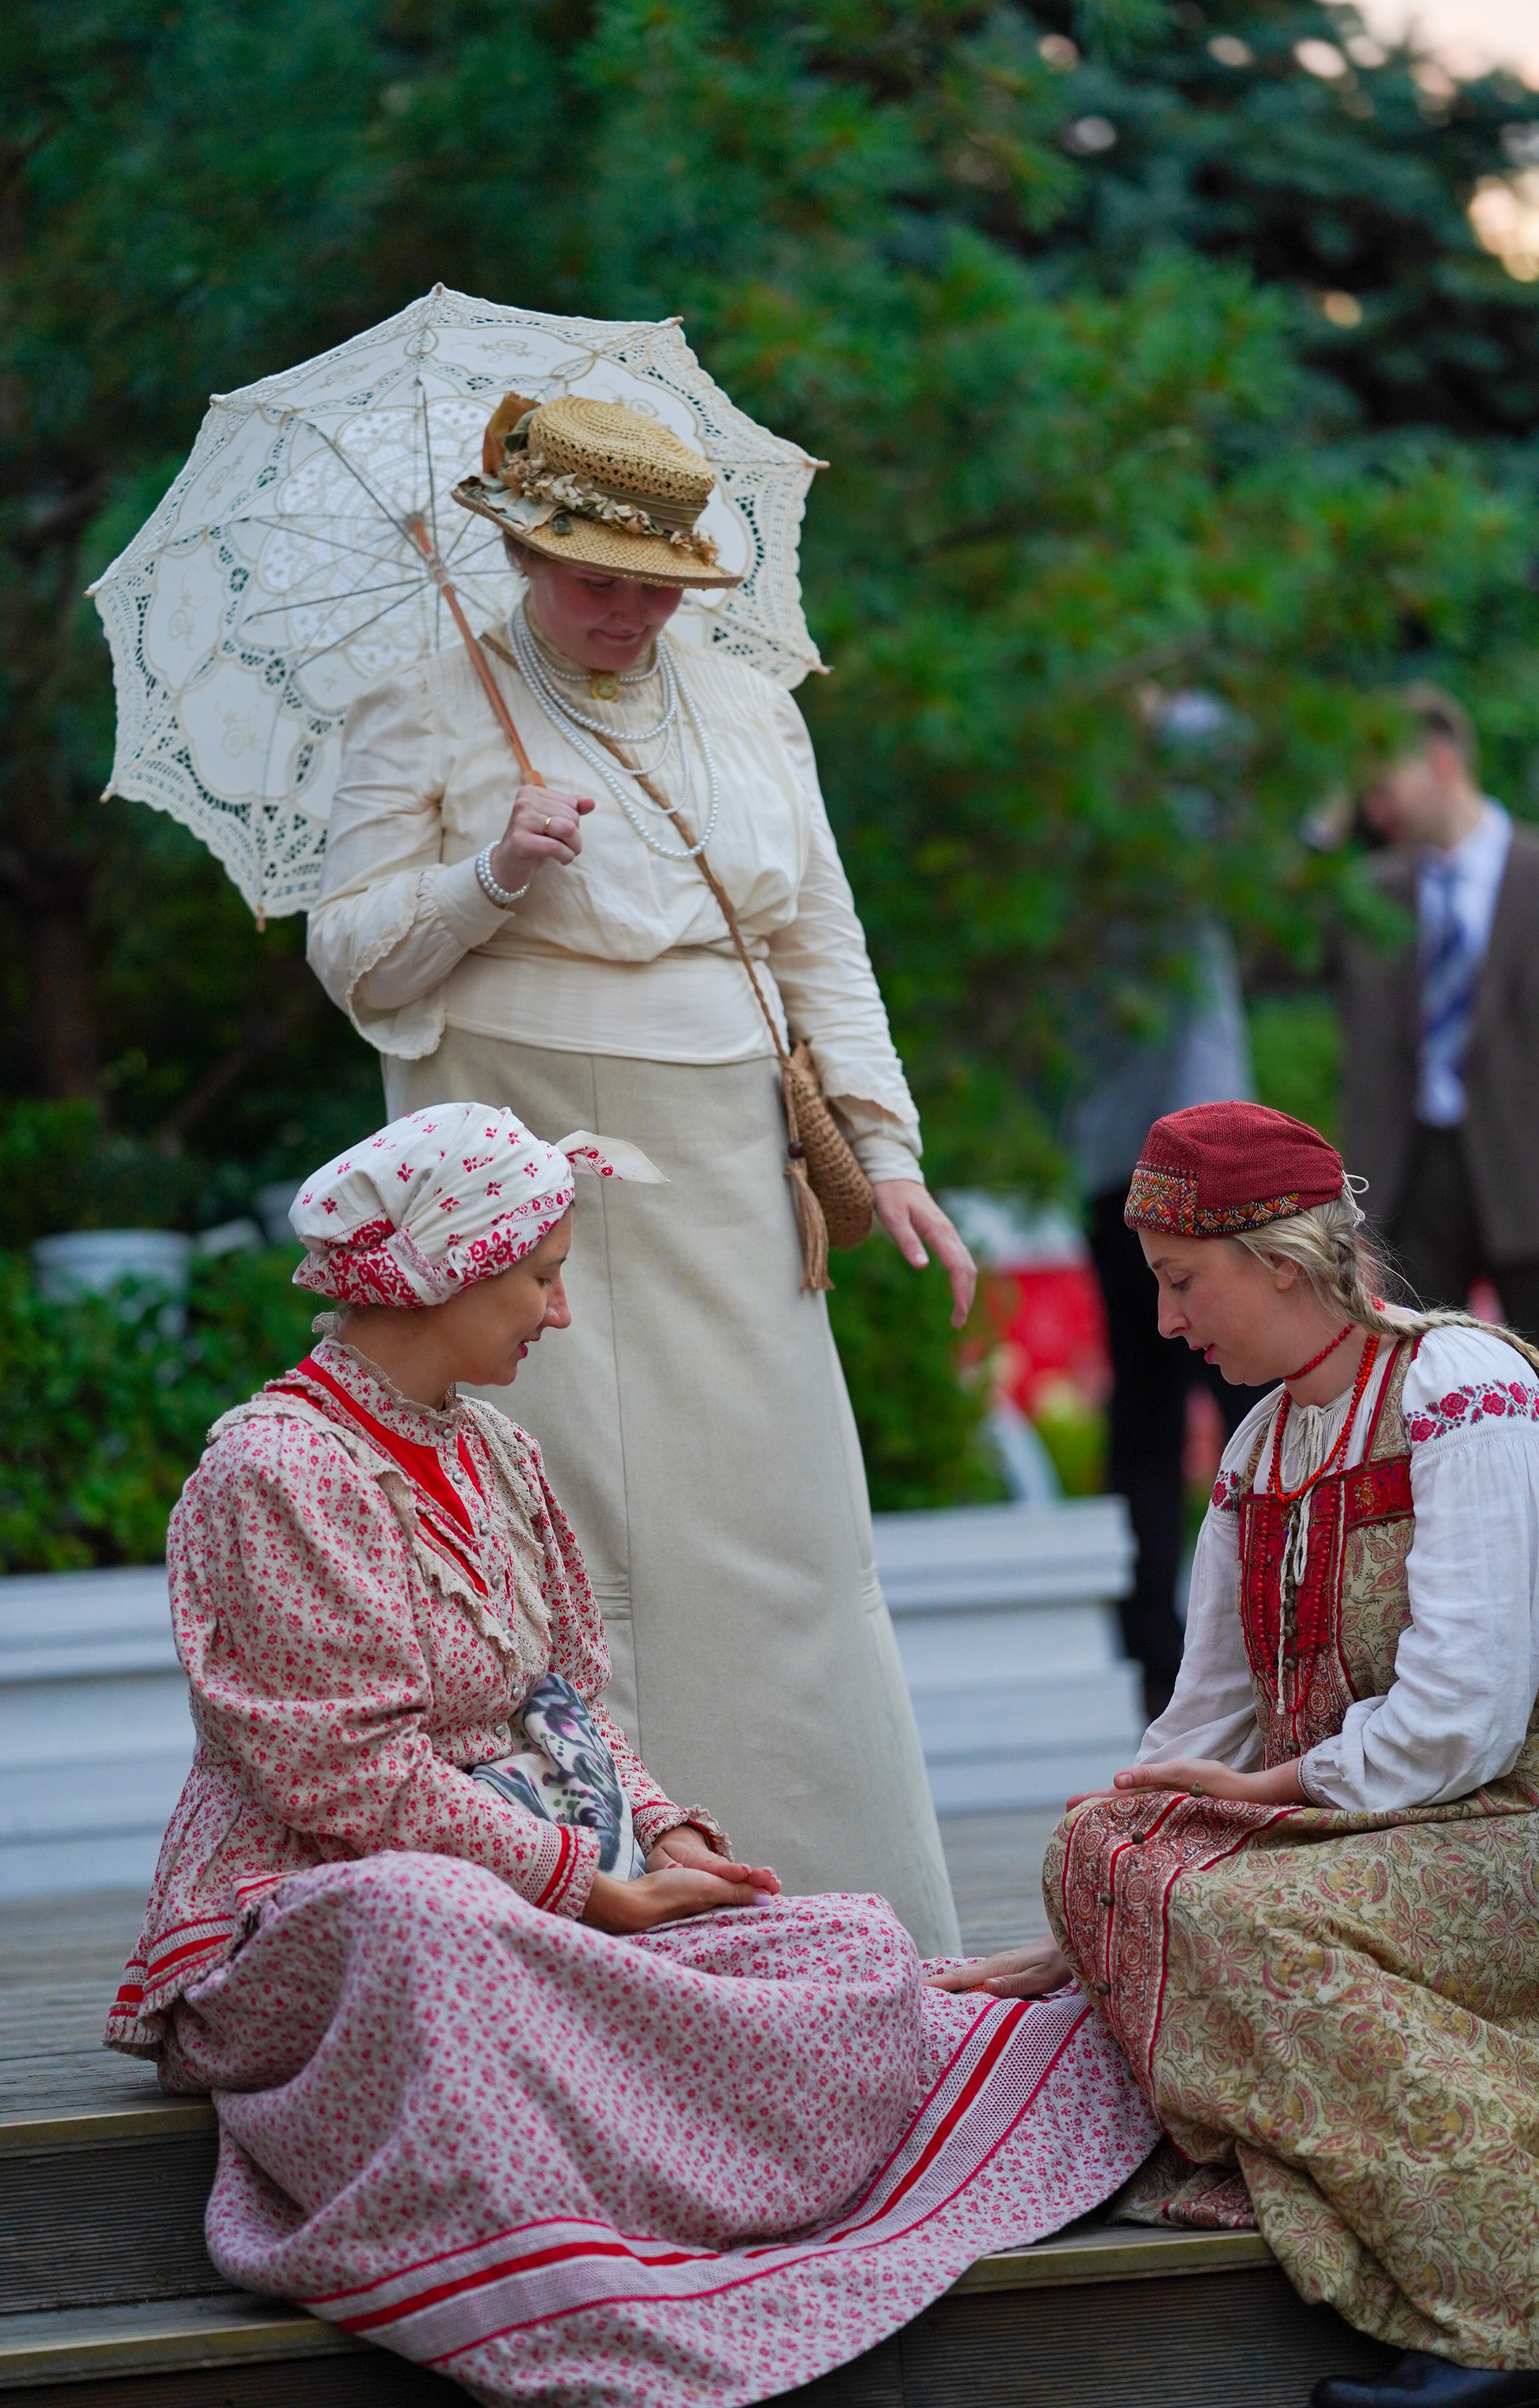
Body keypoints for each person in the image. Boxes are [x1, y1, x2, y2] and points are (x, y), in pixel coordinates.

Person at [105, 1104, 1156, 2408]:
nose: (557, 1314)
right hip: (312, 1910)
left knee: (853, 1943)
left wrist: (662, 1830)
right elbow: (344, 1782)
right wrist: (586, 1887)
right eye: (542, 1279)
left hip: (531, 1889)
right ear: (450, 1272)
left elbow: (563, 1700)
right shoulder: (278, 1469)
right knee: (432, 1921)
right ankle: (555, 2258)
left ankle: (703, 2199)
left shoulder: (494, 1450)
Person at [306, 393, 970, 1954]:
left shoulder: (751, 706)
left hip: (729, 1152)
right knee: (563, 1541)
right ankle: (594, 1931)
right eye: (593, 578)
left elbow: (819, 938)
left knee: (785, 1532)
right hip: (514, 1155)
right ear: (521, 556)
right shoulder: (423, 701)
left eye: (657, 583)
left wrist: (884, 1149)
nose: (627, 611)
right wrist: (490, 873)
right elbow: (353, 960)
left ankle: (844, 1924)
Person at [936, 1102, 1539, 2407]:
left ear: (1278, 1259)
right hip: (1348, 1835)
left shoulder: (1461, 1387)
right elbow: (1195, 1729)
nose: (1163, 1322)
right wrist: (1091, 1909)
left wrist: (1268, 1794)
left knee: (1231, 1916)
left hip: (1500, 1830)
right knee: (1097, 1844)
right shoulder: (1264, 1445)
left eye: (1179, 1281)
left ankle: (1504, 2304)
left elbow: (1469, 1712)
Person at [1070, 922, 1264, 1718]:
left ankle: (1169, 1646)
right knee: (1235, 1402)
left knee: (1159, 1414)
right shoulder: (1180, 891)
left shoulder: (1087, 900)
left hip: (1121, 1166)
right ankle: (1237, 1632)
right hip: (1193, 1170)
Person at [1340, 683, 1539, 1341]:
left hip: (1526, 1164)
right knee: (1421, 1372)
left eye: (1383, 786)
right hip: (1411, 1174)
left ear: (1441, 763)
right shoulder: (1371, 893)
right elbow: (1267, 956)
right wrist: (1322, 829)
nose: (1375, 809)